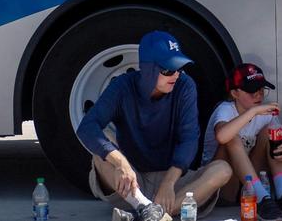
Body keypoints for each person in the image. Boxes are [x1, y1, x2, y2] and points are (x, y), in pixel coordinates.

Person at [78, 31, 230, 221]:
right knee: (101, 146)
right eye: (168, 70)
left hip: (175, 181)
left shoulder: (185, 85)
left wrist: (169, 183)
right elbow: (87, 127)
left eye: (179, 68)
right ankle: (142, 206)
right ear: (148, 69)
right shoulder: (123, 87)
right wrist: (121, 163)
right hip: (132, 181)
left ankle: (154, 214)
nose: (175, 75)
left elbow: (189, 139)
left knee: (223, 169)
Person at [203, 64, 282, 221]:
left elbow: (281, 150)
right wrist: (253, 112)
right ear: (234, 93)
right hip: (223, 186)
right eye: (252, 91)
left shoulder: (263, 112)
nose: (259, 95)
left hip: (250, 181)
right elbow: (222, 137)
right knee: (232, 138)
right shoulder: (226, 109)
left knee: (272, 132)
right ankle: (261, 198)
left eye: (261, 89)